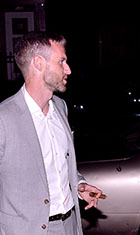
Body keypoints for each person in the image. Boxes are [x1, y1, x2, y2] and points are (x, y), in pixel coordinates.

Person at [0, 31, 103, 235]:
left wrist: (79, 184)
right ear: (39, 63)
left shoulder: (60, 107)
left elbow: (59, 163)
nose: (69, 69)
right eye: (62, 61)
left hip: (70, 226)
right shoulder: (4, 117)